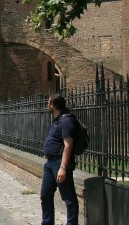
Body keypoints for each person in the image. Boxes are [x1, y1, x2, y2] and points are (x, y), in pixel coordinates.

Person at [41, 93, 79, 225]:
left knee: (69, 198)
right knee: (45, 194)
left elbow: (68, 145)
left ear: (53, 105)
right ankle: (47, 222)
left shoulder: (66, 120)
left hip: (59, 163)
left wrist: (63, 168)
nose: (47, 105)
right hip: (50, 163)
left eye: (48, 102)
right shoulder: (56, 120)